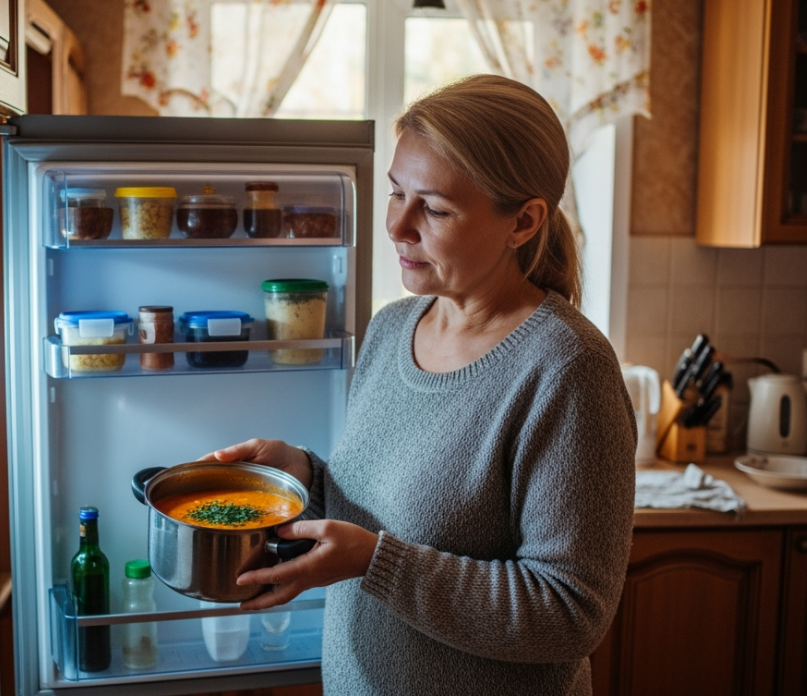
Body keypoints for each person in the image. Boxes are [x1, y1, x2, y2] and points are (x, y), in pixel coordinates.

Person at [204, 74, 636, 694]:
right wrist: (306, 476)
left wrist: (374, 564)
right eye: (396, 193)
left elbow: (569, 613)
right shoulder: (390, 330)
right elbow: (399, 521)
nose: (398, 226)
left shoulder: (567, 368)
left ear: (524, 221)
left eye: (433, 208)